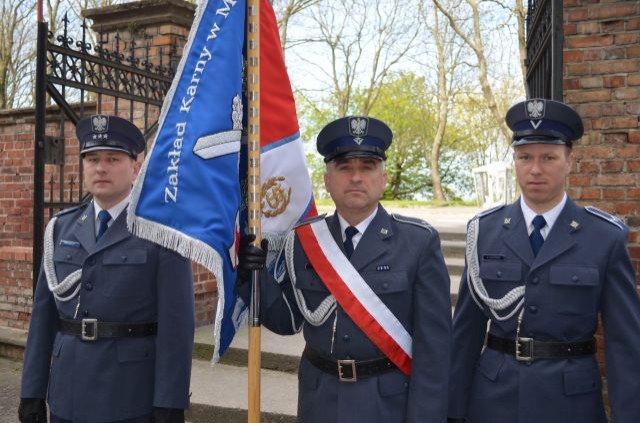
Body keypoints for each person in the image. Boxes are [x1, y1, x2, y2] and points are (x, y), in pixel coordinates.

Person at [239, 116, 452, 422]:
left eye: (367, 167)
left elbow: (434, 352)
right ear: (327, 180)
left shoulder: (418, 243)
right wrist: (252, 277)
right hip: (319, 399)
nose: (356, 177)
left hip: (387, 403)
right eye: (345, 167)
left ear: (383, 178)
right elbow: (287, 320)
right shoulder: (304, 240)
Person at [447, 99, 640, 423]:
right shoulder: (484, 232)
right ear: (515, 161)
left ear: (569, 161)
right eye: (525, 157)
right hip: (494, 401)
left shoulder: (603, 237)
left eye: (548, 157)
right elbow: (465, 333)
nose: (535, 169)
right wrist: (452, 411)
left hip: (570, 404)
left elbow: (624, 344)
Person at [19, 115, 195, 423]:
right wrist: (32, 390)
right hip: (67, 393)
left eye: (113, 159)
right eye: (92, 159)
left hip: (128, 397)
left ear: (135, 168)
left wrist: (170, 401)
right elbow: (43, 318)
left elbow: (176, 327)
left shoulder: (161, 232)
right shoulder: (61, 229)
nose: (101, 168)